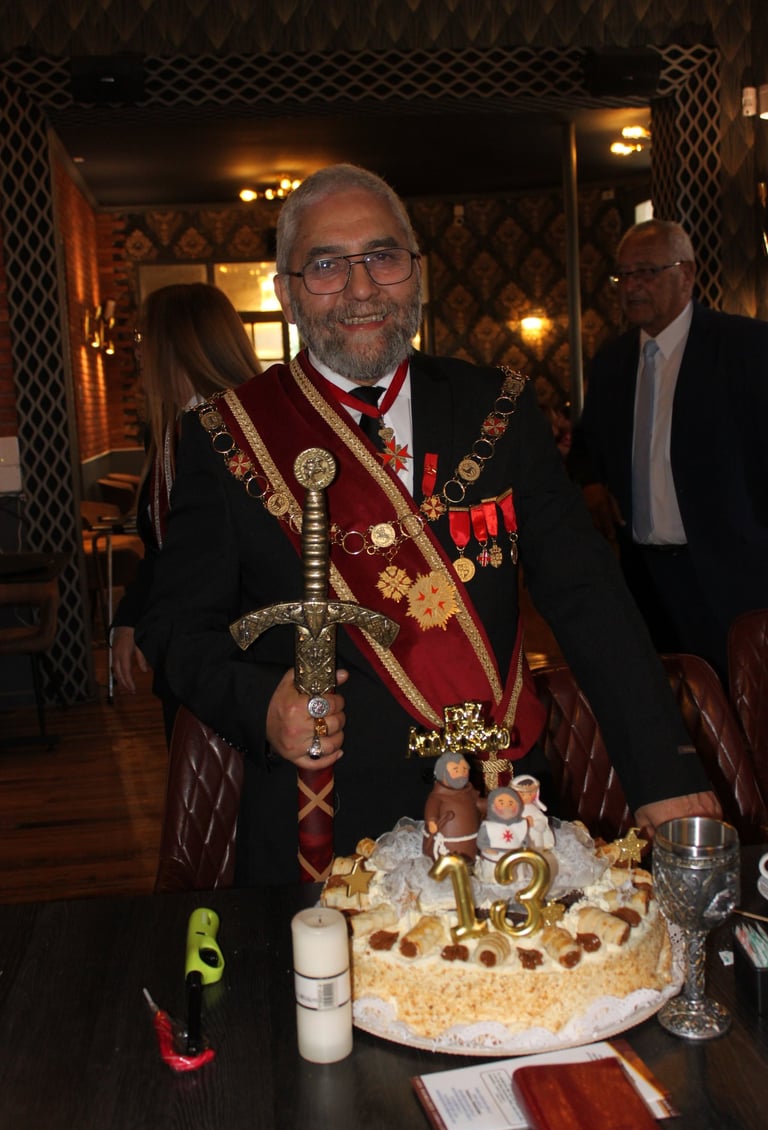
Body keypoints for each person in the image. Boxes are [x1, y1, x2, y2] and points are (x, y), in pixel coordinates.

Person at [136, 165, 719, 886]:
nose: (360, 288)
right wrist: (262, 705)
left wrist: (663, 774)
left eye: (383, 257)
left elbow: (588, 594)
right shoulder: (230, 435)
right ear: (286, 292)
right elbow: (174, 628)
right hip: (324, 820)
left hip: (504, 809)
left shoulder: (499, 407)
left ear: (417, 272)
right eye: (326, 265)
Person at [571, 219, 768, 682]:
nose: (631, 287)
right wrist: (593, 484)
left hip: (732, 573)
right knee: (667, 703)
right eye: (623, 275)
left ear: (687, 274)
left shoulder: (745, 347)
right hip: (646, 580)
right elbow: (586, 447)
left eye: (647, 272)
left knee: (745, 704)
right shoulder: (612, 362)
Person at [111, 282, 261, 738]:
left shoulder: (240, 435)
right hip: (187, 660)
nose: (138, 354)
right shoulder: (171, 431)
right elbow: (165, 548)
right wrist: (130, 618)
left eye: (143, 339)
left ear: (181, 345)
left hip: (237, 666)